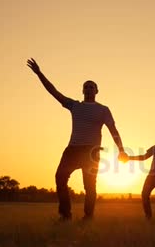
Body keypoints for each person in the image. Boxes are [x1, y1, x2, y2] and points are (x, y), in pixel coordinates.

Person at [26, 58, 127, 221]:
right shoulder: (75, 105)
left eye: (91, 87)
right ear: (82, 91)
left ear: (97, 91)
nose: (88, 89)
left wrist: (121, 150)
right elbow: (54, 92)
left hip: (91, 152)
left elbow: (113, 130)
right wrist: (39, 73)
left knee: (89, 186)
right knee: (60, 178)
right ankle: (65, 214)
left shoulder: (103, 110)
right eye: (85, 87)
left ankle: (88, 216)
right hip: (72, 149)